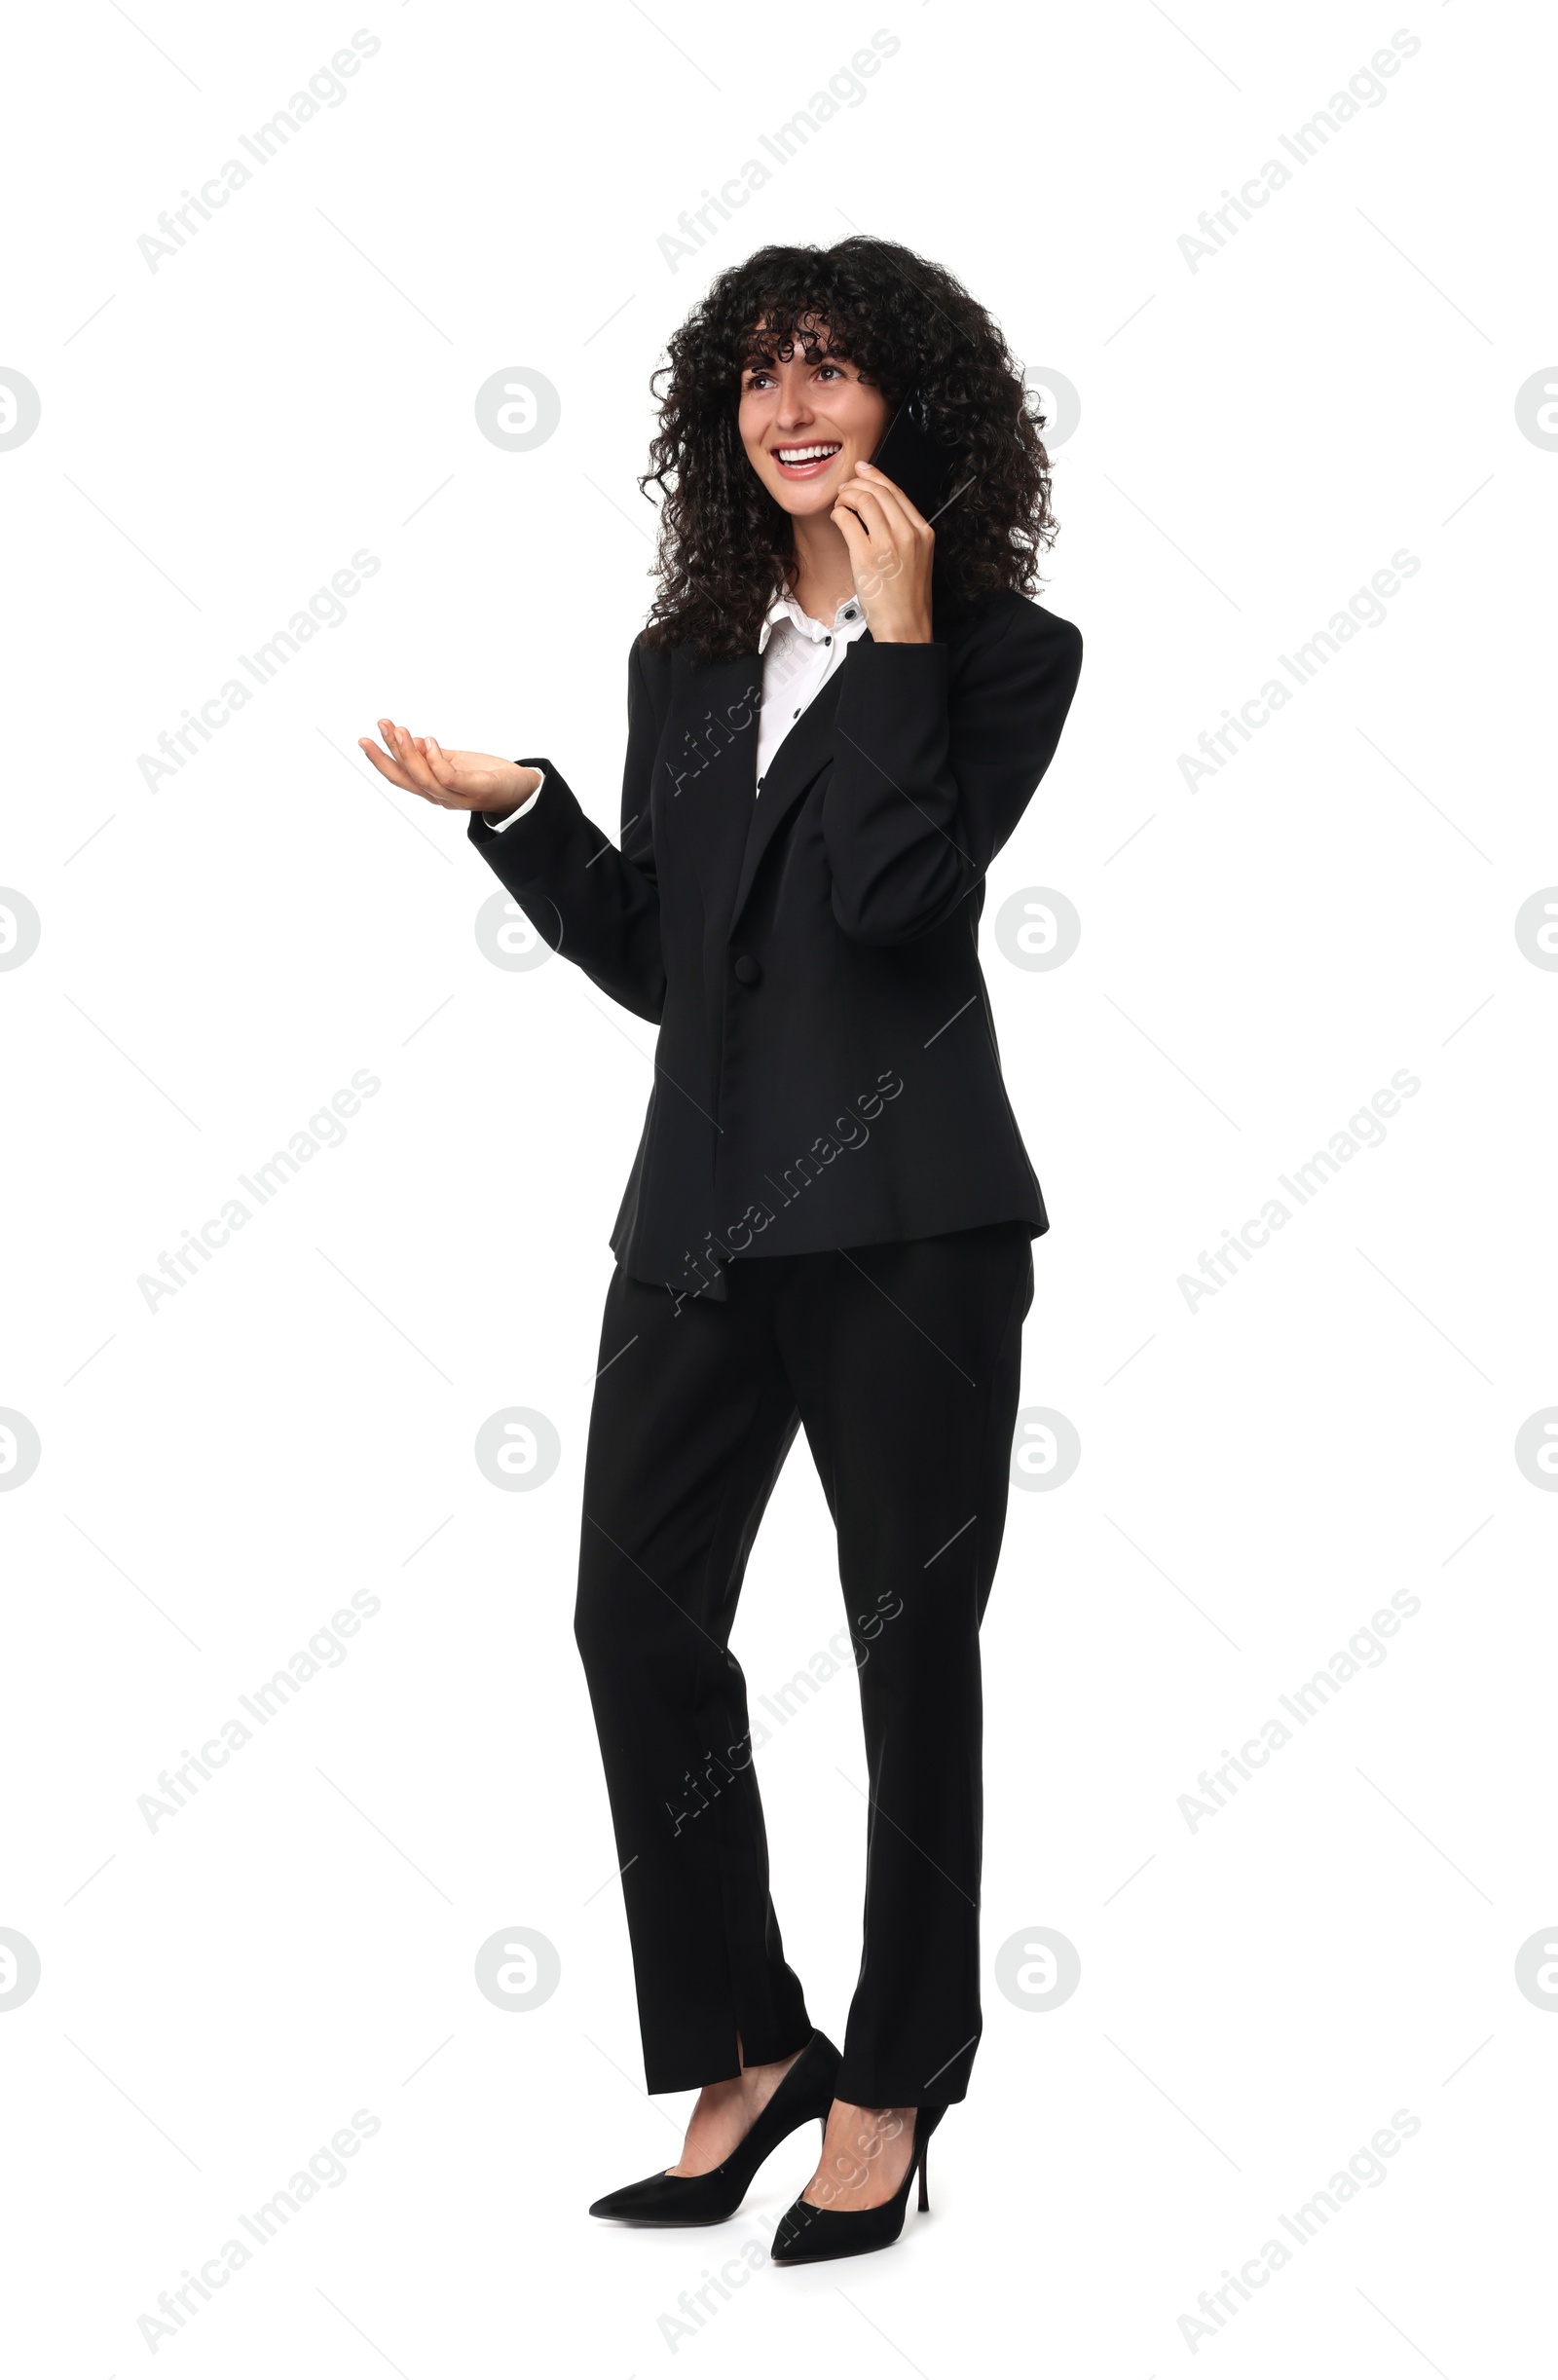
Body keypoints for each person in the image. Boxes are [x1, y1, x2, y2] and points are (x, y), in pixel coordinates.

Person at [359, 236, 1083, 2263]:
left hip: (912, 1225)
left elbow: (887, 906)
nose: (788, 406)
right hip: (696, 1217)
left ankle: (898, 2067)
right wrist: (523, 814)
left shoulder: (1007, 651)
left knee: (900, 1641)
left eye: (830, 369)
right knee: (627, 1615)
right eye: (758, 374)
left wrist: (898, 634)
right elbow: (667, 964)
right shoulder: (685, 656)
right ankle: (749, 2036)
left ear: (902, 402)